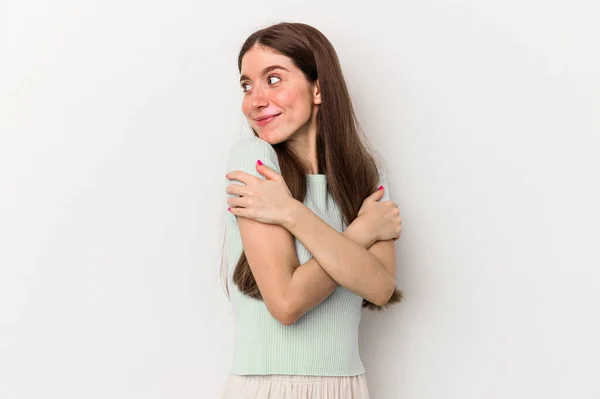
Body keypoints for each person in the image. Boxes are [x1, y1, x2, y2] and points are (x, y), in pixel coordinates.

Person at [220, 22, 403, 399]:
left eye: (273, 79)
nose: (254, 99)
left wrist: (289, 212)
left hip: (347, 387)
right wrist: (361, 233)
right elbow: (286, 304)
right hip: (270, 388)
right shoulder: (255, 161)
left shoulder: (365, 175)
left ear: (318, 87)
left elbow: (381, 288)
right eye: (246, 85)